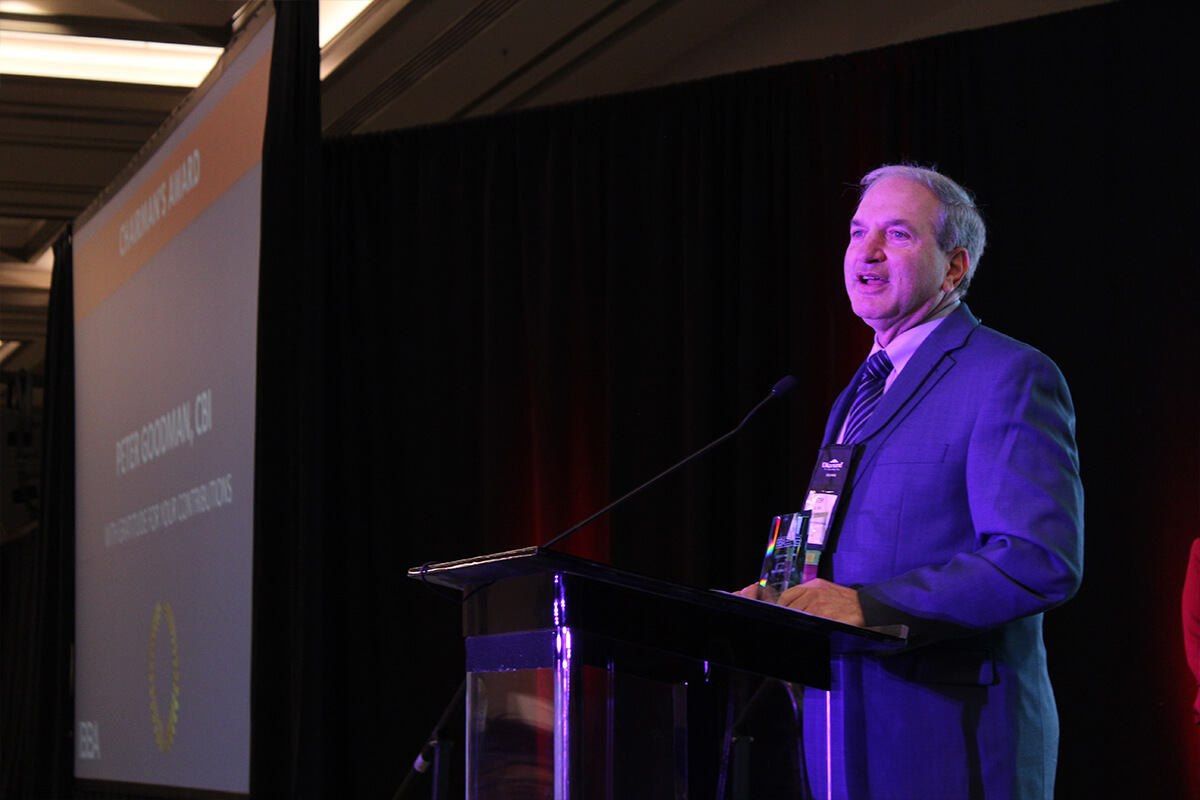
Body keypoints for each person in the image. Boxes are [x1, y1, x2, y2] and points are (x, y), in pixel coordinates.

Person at [741, 165, 1084, 799]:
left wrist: (870, 608)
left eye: (897, 234)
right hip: (839, 725)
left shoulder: (1009, 374)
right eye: (857, 232)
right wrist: (781, 596)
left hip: (950, 737)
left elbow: (1039, 558)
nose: (866, 252)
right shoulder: (860, 389)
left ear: (954, 267)